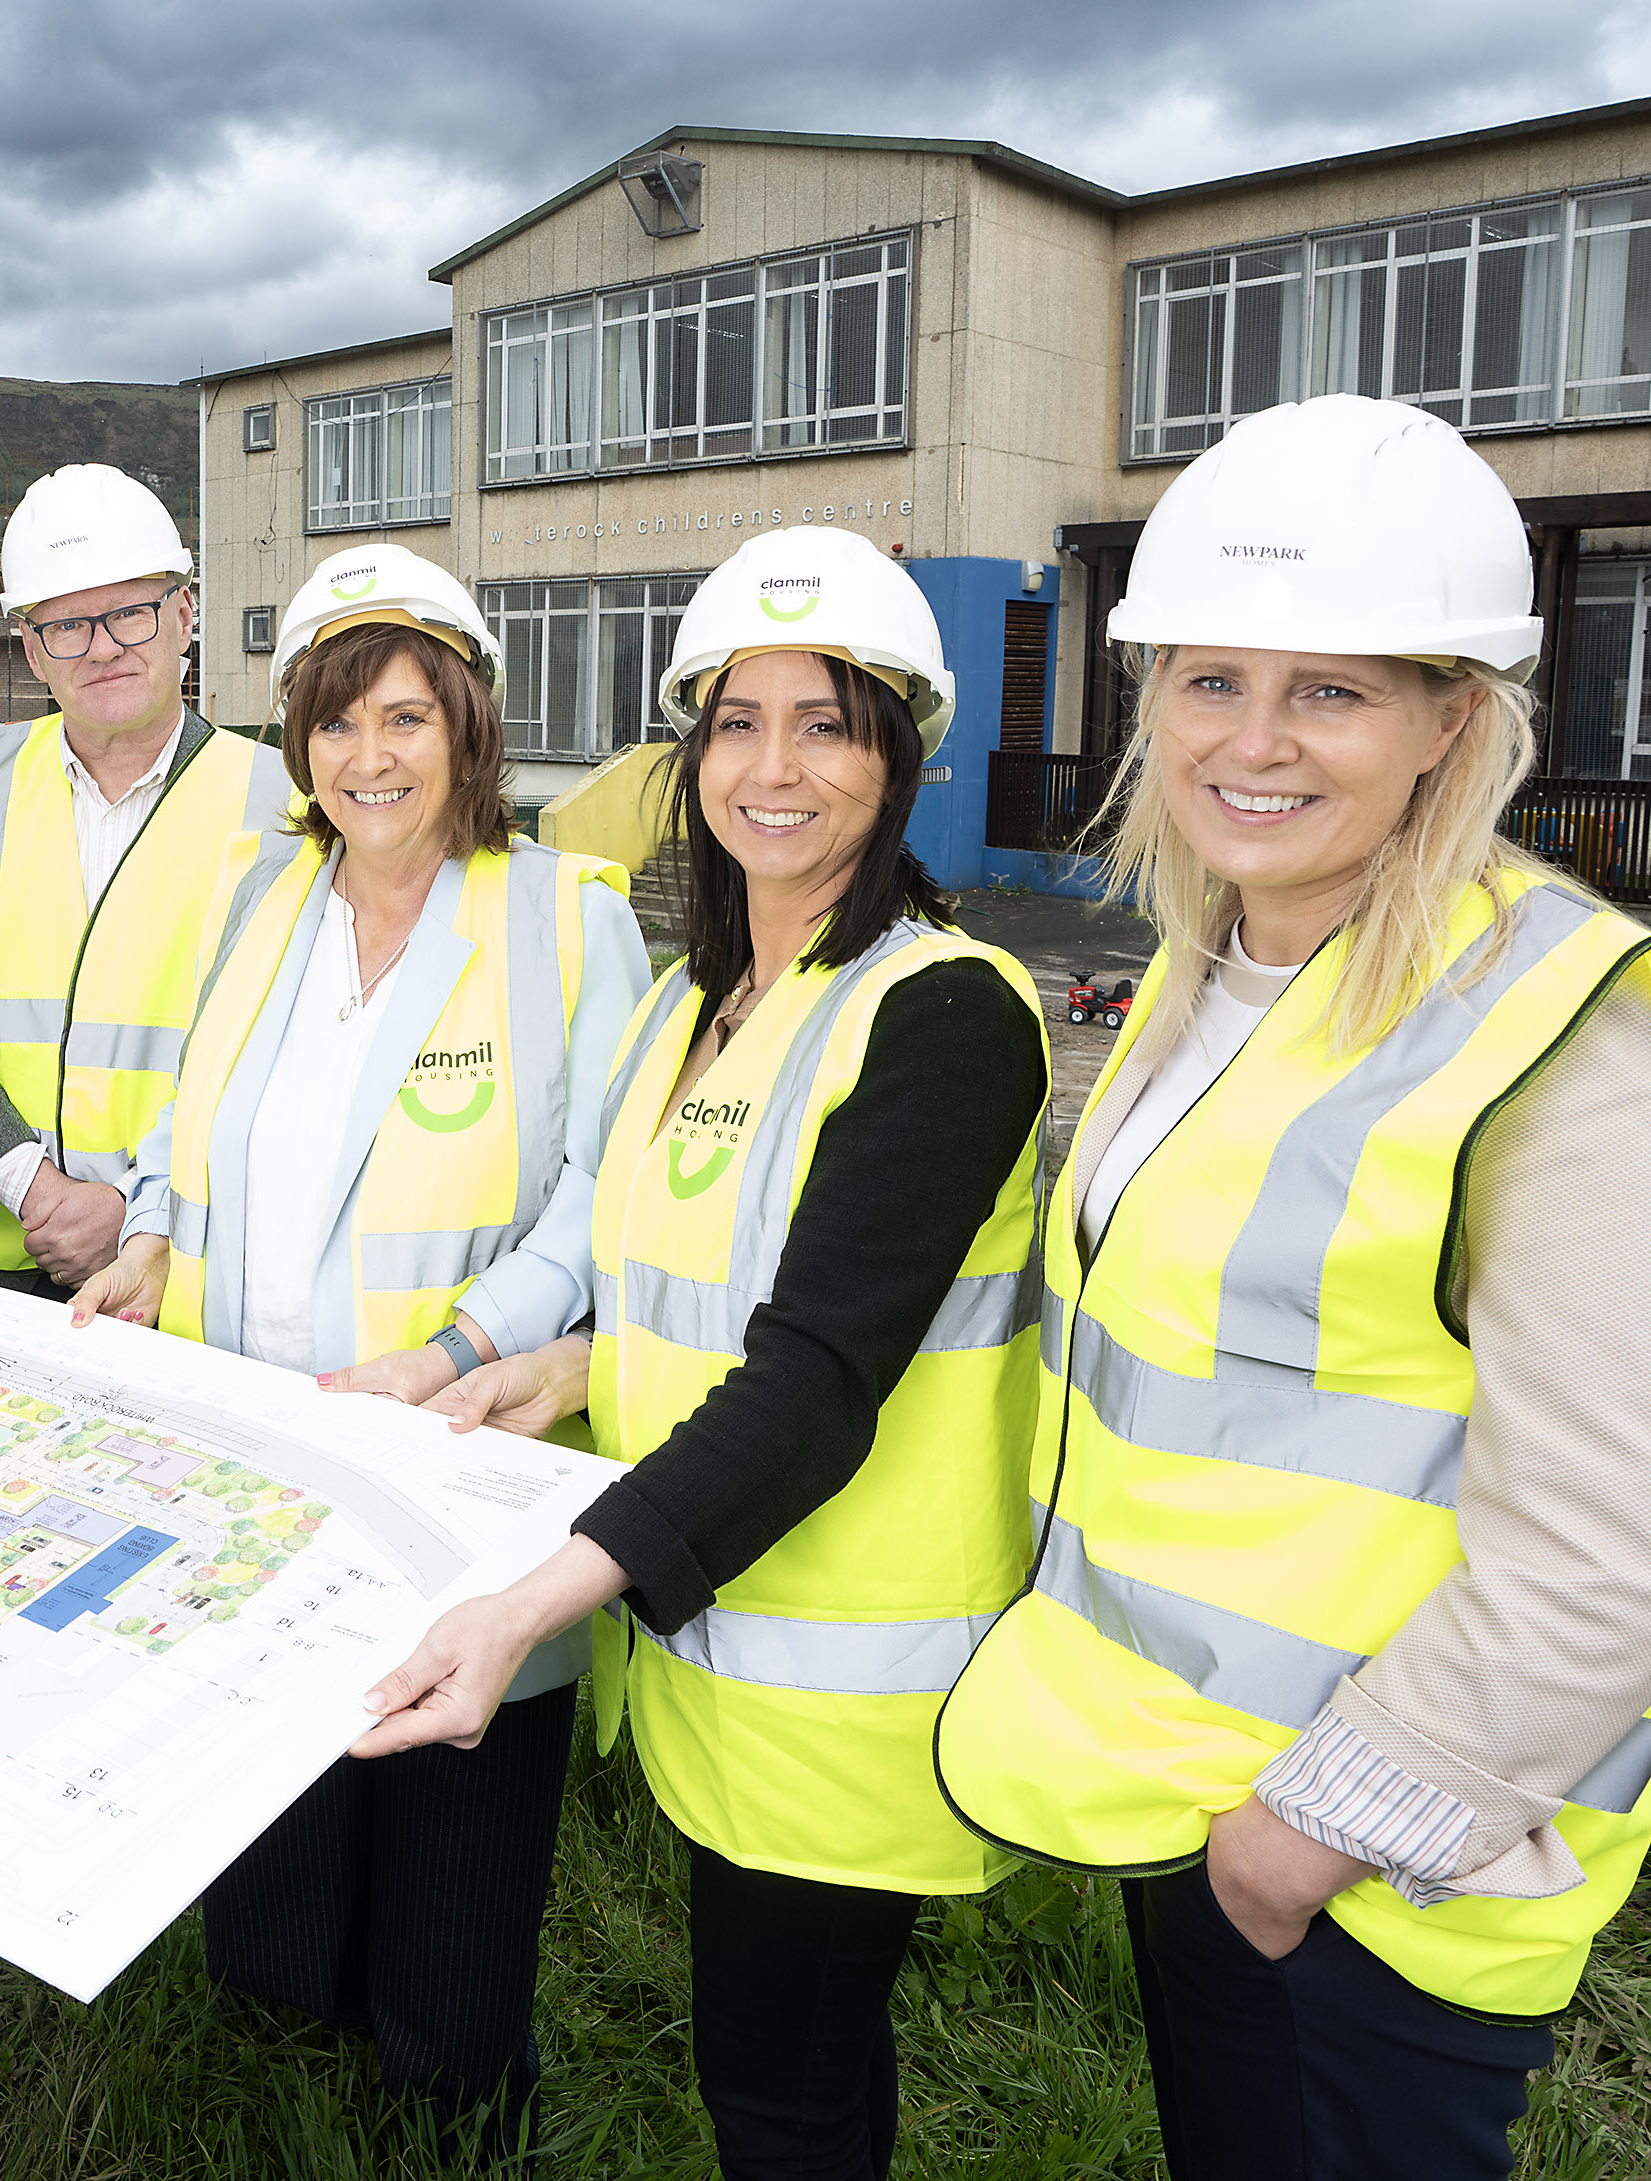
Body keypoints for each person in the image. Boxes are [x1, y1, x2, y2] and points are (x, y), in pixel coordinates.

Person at [930, 394, 1651, 2179]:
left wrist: (1307, 1834)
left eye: (1331, 689)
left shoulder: (1576, 1054)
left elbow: (1611, 1553)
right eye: (1208, 680)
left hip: (1375, 1864)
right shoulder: (1226, 958)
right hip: (1200, 1794)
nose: (1254, 740)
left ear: (1449, 721)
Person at [347, 529, 1051, 2181]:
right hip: (725, 1662)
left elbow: (818, 1373)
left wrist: (532, 1599)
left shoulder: (943, 1015)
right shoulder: (695, 1003)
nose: (774, 767)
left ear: (901, 749)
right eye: (736, 722)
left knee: (780, 2096)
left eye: (828, 722)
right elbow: (700, 1292)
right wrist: (562, 1370)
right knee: (796, 2074)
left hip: (851, 1692)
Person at [68, 540, 649, 2146]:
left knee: (451, 1775)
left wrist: (470, 1339)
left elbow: (613, 1185)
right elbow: (195, 1111)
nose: (368, 758)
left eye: (404, 718)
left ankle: (452, 2088)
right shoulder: (266, 896)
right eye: (335, 723)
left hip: (454, 1435)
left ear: (466, 726)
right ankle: (284, 2011)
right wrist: (152, 1234)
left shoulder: (558, 917)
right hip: (255, 1427)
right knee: (276, 1770)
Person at [0, 463, 296, 1291]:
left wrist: (133, 1207)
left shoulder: (284, 802)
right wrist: (33, 1187)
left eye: (131, 612)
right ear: (30, 647)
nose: (104, 647)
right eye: (68, 626)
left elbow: (290, 1045)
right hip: (9, 1253)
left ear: (184, 615)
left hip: (194, 1261)